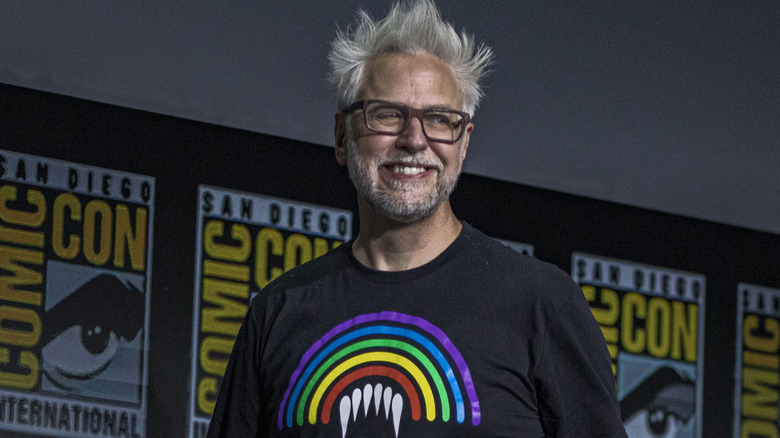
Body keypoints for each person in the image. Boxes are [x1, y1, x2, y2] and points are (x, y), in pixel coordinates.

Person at [207, 1, 626, 436]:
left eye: (440, 119)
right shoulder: (277, 312)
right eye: (387, 114)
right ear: (341, 136)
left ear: (463, 144)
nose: (413, 140)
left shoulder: (541, 305)